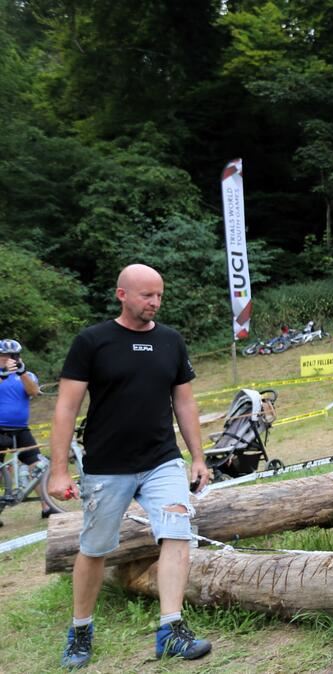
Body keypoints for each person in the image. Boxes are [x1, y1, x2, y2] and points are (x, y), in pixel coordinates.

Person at [47, 264, 212, 669]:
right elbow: (66, 408)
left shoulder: (171, 341)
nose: (154, 303)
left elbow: (185, 402)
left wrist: (198, 456)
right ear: (122, 294)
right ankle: (81, 628)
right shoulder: (92, 342)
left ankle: (171, 630)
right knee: (96, 548)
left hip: (161, 459)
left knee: (176, 534)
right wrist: (58, 470)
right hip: (106, 465)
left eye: (159, 295)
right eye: (146, 295)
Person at [0, 339, 62, 522]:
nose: (10, 359)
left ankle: (47, 506)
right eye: (6, 356)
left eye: (14, 356)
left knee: (37, 466)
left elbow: (34, 392)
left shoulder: (26, 374)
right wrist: (2, 374)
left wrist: (22, 372)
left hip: (20, 429)